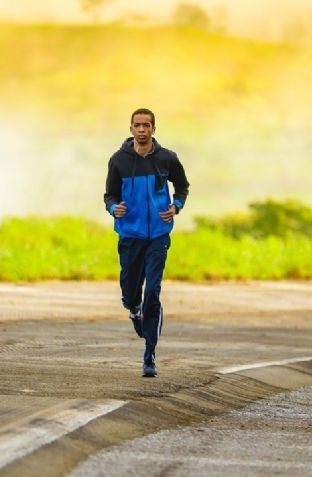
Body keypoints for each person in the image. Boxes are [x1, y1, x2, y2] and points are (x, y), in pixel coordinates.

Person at [103, 108, 190, 378]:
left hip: (158, 236)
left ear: (154, 128)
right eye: (137, 125)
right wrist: (113, 208)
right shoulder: (118, 161)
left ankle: (149, 355)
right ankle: (134, 309)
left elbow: (183, 187)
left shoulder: (167, 158)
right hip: (130, 235)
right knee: (131, 293)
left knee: (153, 291)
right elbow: (109, 195)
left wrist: (175, 207)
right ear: (131, 129)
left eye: (146, 125)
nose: (142, 130)